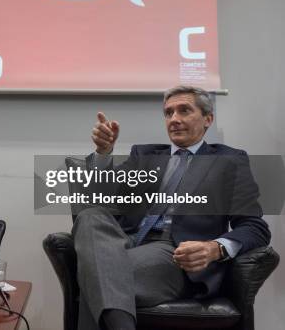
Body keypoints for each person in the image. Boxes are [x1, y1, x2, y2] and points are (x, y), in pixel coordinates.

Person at [74, 86, 270, 330]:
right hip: (120, 244)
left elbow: (254, 227)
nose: (174, 119)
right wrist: (103, 155)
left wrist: (214, 248)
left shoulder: (230, 161)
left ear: (208, 119)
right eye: (168, 113)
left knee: (92, 277)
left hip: (174, 254)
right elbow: (99, 197)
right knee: (91, 216)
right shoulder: (144, 155)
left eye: (184, 110)